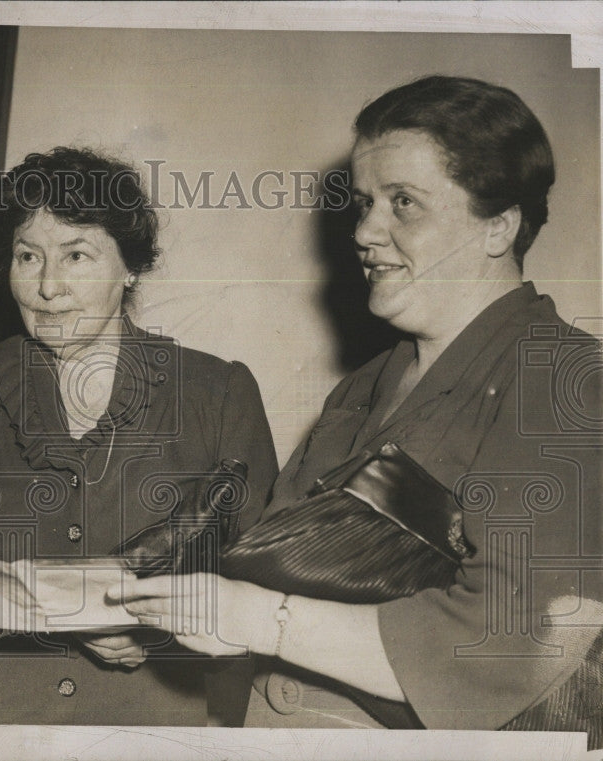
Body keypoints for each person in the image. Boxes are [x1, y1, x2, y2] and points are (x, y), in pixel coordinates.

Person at [113, 76, 603, 735]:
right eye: (366, 202)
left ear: (499, 226)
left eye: (404, 203)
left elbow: (516, 635)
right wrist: (143, 603)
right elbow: (269, 559)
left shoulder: (568, 378)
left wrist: (256, 618)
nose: (366, 231)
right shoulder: (369, 381)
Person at [0, 147, 278, 726]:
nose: (47, 287)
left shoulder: (216, 393)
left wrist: (161, 637)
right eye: (28, 256)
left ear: (130, 268)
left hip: (139, 726)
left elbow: (258, 580)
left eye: (76, 256)